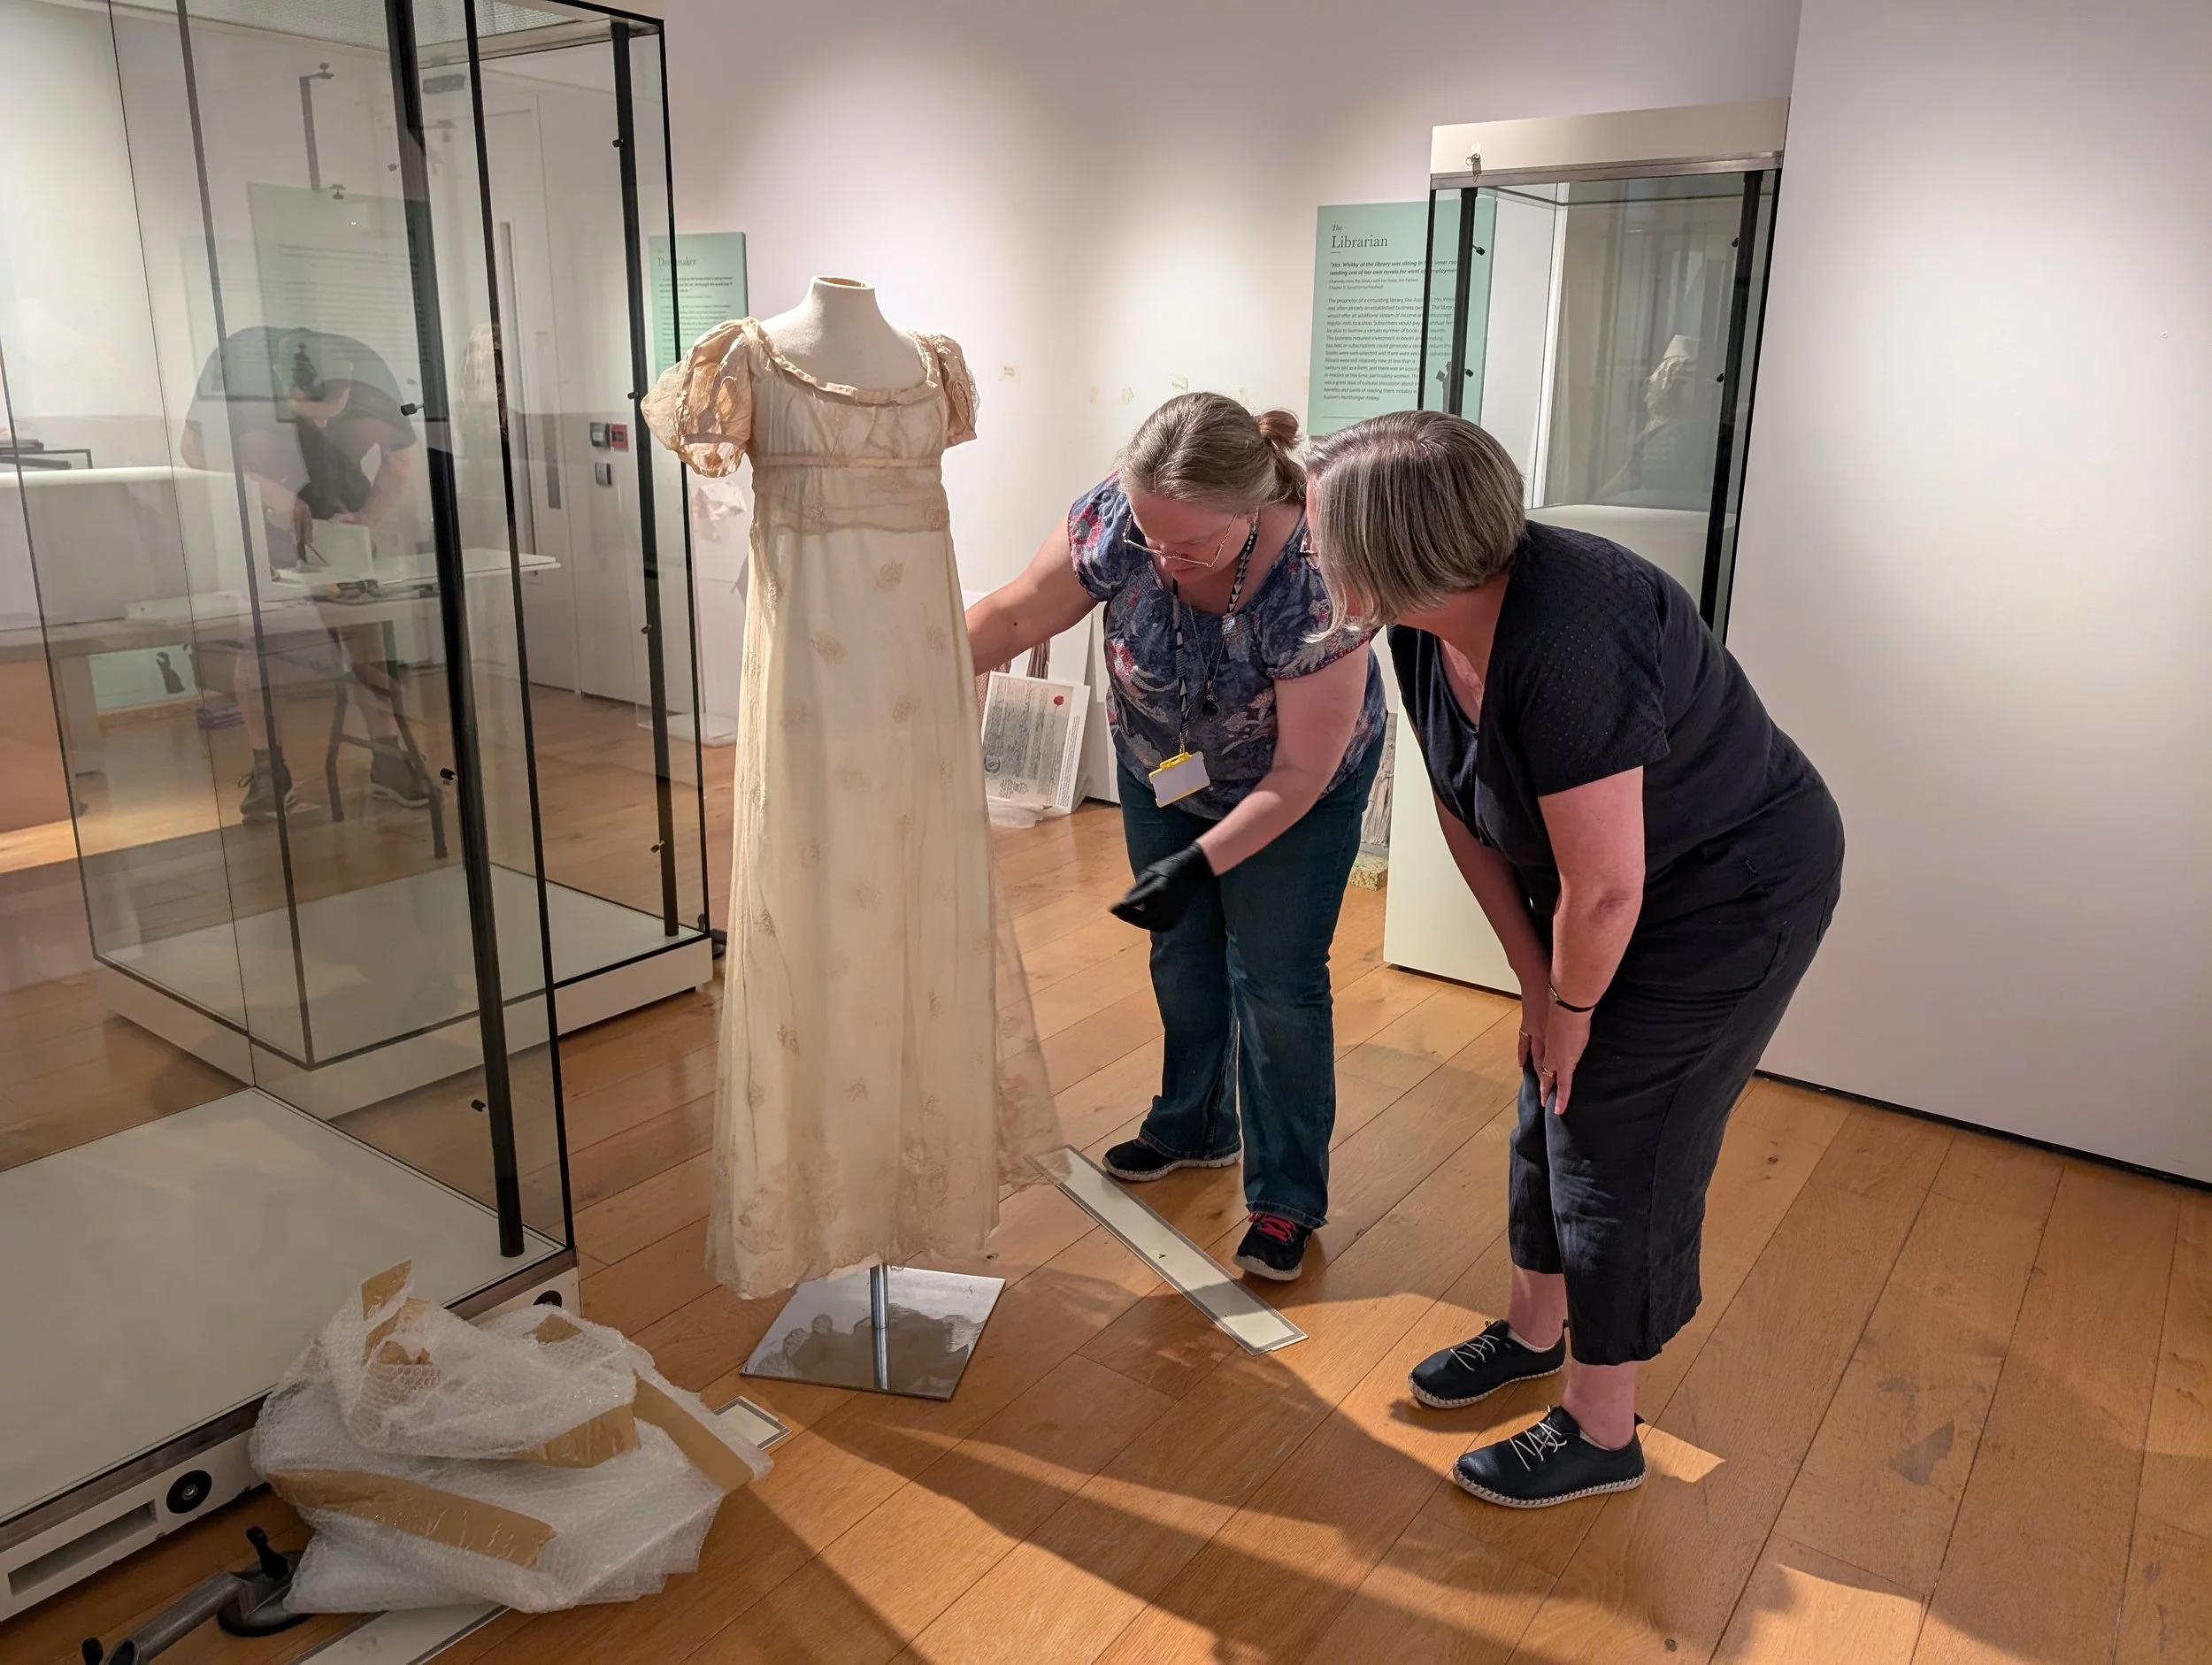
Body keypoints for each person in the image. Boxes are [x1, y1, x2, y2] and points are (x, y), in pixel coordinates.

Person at [1303, 410, 1843, 1506]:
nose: (1310, 553)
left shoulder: (1570, 633)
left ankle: (1603, 1426)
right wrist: (1534, 986)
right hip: (1598, 898)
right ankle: (1533, 1330)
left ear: (1391, 546)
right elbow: (1462, 811)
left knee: (1616, 1130)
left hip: (1726, 895)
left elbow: (1608, 886)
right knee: (1544, 1098)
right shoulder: (1417, 624)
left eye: (1320, 533)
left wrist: (1573, 1001)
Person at [965, 395, 1386, 1279]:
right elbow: (1012, 616)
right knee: (1182, 954)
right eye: (1151, 537)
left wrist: (1198, 863)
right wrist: (899, 669)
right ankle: (1193, 1124)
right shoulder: (1124, 516)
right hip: (1162, 761)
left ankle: (1284, 1199)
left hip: (1292, 793)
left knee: (1274, 981)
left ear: (1253, 505)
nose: (1163, 561)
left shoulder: (1320, 570)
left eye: (1192, 544)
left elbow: (1300, 775)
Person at [182, 329, 434, 818]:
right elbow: (192, 448)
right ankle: (267, 771)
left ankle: (387, 759)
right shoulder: (236, 373)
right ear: (277, 391)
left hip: (339, 517)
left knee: (364, 629)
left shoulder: (372, 380)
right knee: (257, 641)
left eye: (331, 411)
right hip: (256, 521)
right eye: (306, 410)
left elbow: (400, 461)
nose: (320, 421)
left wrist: (369, 517)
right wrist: (260, 489)